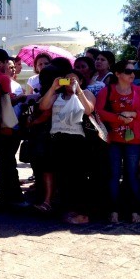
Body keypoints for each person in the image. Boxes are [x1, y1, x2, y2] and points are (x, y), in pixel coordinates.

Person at [96, 60, 140, 223]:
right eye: (128, 72)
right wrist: (118, 118)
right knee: (114, 175)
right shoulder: (107, 91)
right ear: (118, 74)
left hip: (134, 140)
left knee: (132, 176)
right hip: (113, 139)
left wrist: (134, 115)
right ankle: (113, 209)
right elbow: (98, 112)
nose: (132, 75)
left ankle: (135, 210)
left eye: (133, 72)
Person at [39, 69, 96, 224]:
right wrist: (52, 88)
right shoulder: (57, 96)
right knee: (61, 176)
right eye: (67, 79)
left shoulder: (86, 93)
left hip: (77, 140)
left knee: (76, 176)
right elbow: (43, 107)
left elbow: (89, 109)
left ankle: (79, 211)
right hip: (57, 138)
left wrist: (78, 91)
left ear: (81, 81)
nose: (70, 82)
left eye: (74, 79)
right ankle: (65, 209)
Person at [0, 49, 28, 208]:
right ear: (0, 63)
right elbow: (6, 102)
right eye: (6, 63)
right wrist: (20, 98)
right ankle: (11, 196)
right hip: (5, 127)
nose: (9, 67)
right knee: (8, 163)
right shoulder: (1, 79)